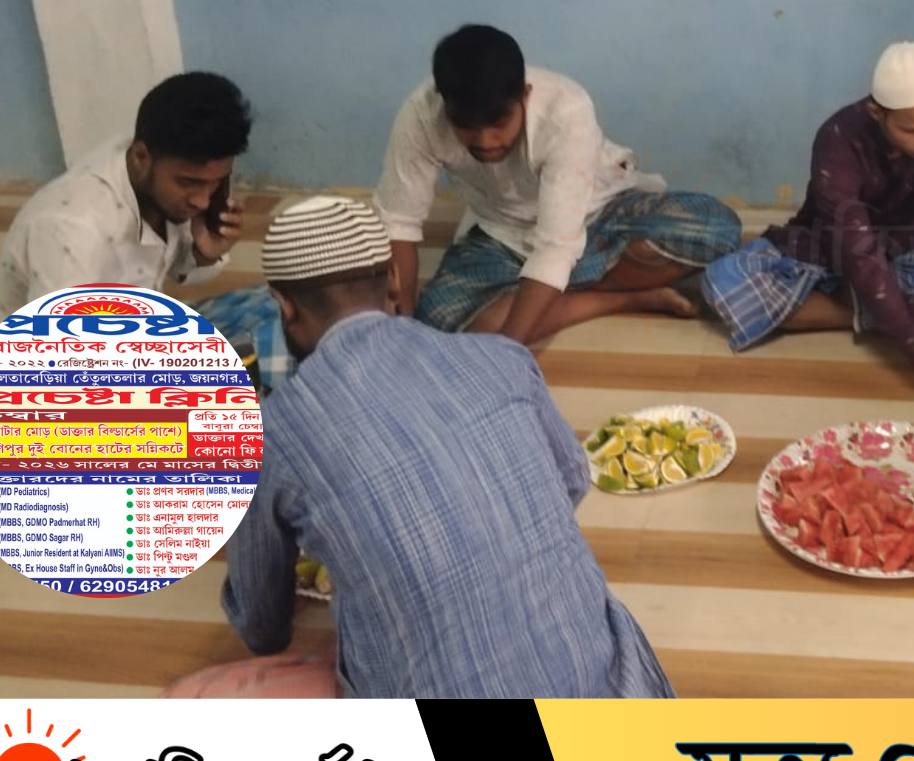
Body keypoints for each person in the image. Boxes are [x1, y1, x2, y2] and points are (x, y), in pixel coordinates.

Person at [167, 195, 675, 699]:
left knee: (201, 697)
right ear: (393, 279)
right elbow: (572, 479)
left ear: (285, 308)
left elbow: (262, 626)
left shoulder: (273, 433)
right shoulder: (503, 358)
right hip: (621, 699)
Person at [375, 24, 742, 347]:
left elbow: (556, 246)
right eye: (467, 127)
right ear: (444, 106)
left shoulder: (566, 109)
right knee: (437, 322)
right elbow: (399, 223)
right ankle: (622, 297)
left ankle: (541, 293)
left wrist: (508, 350)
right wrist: (404, 329)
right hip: (499, 235)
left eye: (499, 123)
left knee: (716, 228)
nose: (485, 141)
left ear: (525, 94)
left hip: (599, 214)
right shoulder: (421, 114)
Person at [701, 42, 914, 417]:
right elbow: (855, 250)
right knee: (722, 281)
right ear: (877, 113)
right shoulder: (838, 138)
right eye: (912, 131)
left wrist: (885, 263)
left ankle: (862, 305)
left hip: (899, 249)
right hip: (824, 245)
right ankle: (864, 309)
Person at [0, 72, 250, 320]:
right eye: (188, 182)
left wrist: (203, 254)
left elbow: (168, 266)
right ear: (140, 157)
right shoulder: (72, 228)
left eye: (216, 182)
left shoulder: (155, 166)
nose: (203, 201)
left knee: (268, 305)